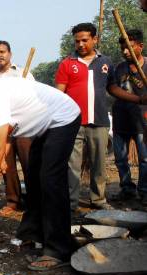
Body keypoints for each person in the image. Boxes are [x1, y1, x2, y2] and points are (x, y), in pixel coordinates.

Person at [0, 77, 82, 271]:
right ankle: (33, 233)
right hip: (45, 128)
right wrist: (0, 161)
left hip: (63, 118)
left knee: (51, 180)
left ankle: (58, 250)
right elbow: (7, 134)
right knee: (33, 178)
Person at [56, 23, 115, 212]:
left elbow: (112, 88)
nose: (80, 44)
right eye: (77, 41)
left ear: (95, 39)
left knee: (99, 163)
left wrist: (138, 99)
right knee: (72, 165)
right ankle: (71, 202)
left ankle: (98, 199)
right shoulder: (67, 63)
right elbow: (59, 94)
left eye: (84, 40)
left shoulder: (105, 62)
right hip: (74, 123)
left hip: (99, 121)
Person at [0, 40, 34, 214]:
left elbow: (33, 98)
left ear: (10, 54)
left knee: (29, 163)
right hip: (3, 129)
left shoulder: (23, 74)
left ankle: (34, 200)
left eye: (2, 51)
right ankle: (13, 201)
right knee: (7, 167)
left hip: (24, 126)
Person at [110, 29, 147, 204]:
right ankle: (127, 189)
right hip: (121, 120)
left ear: (140, 46)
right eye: (123, 48)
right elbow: (113, 89)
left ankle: (145, 191)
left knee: (145, 158)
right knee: (121, 158)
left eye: (129, 48)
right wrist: (138, 99)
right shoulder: (119, 68)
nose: (125, 52)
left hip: (143, 121)